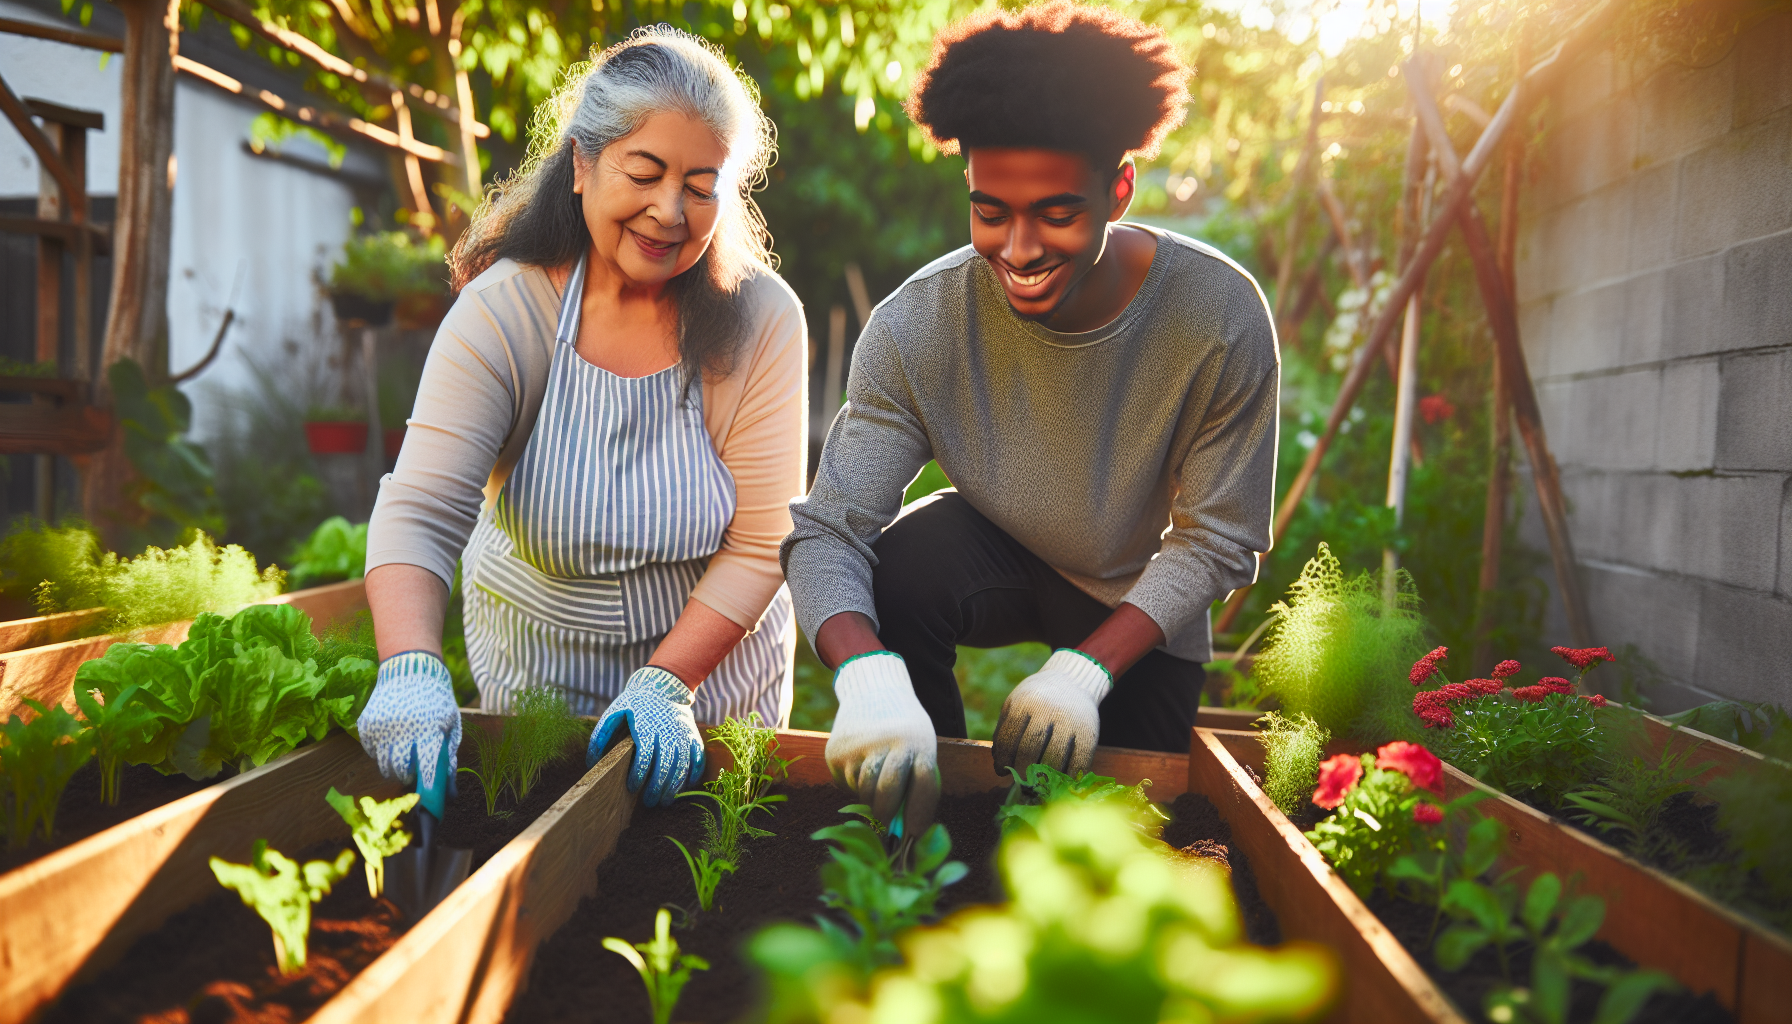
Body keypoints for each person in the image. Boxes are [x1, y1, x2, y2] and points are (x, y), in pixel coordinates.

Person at [781, 1, 1279, 834]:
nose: (1018, 248)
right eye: (990, 212)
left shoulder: (1215, 314)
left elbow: (1219, 538)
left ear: (1117, 189)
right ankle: (918, 816)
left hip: (1137, 600)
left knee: (1117, 828)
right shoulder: (921, 324)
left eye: (1056, 213)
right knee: (901, 565)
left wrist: (1084, 673)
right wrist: (866, 675)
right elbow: (828, 531)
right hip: (996, 556)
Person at [356, 27, 805, 810]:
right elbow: (422, 509)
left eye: (701, 185)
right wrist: (408, 664)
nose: (670, 210)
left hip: (710, 682)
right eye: (646, 172)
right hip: (539, 681)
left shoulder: (761, 319)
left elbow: (765, 540)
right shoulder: (505, 311)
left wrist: (668, 682)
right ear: (582, 165)